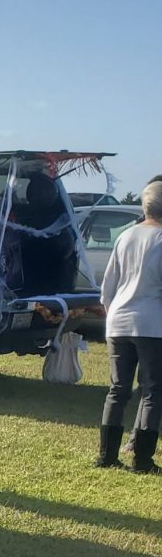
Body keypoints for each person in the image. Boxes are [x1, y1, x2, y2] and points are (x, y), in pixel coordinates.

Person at [96, 181, 162, 474]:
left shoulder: (125, 235)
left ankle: (107, 455)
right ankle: (143, 459)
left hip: (118, 320)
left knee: (118, 389)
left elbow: (108, 285)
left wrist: (112, 312)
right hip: (151, 323)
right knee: (153, 390)